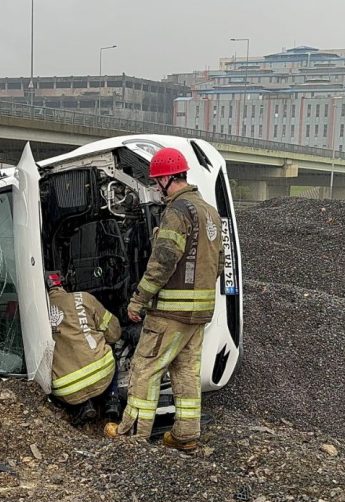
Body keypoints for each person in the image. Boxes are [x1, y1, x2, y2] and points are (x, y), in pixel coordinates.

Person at [111, 147, 223, 452]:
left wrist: (138, 301)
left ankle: (132, 437)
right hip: (198, 314)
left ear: (168, 179)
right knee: (186, 373)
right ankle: (186, 436)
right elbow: (218, 263)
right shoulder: (208, 211)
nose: (156, 188)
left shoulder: (178, 212)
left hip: (170, 313)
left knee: (144, 369)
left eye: (157, 181)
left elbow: (161, 263)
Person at [46, 271, 122, 428]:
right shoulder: (83, 298)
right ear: (64, 284)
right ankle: (112, 399)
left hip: (66, 388)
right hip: (103, 373)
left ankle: (82, 406)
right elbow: (114, 333)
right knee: (109, 347)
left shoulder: (37, 313)